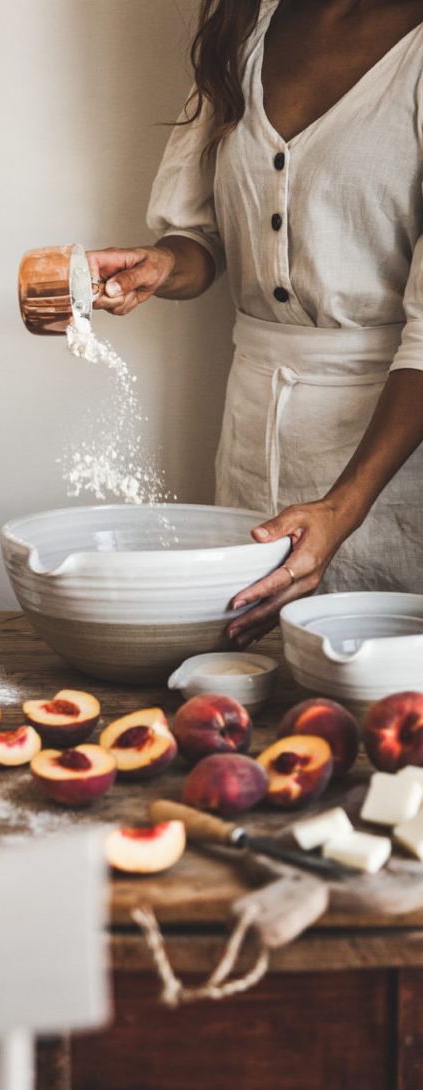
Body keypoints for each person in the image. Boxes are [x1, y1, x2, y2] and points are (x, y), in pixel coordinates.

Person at [88, 0, 423, 646]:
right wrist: (162, 265)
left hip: (386, 477)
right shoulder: (248, 27)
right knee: (246, 693)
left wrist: (340, 510)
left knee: (379, 704)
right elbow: (202, 237)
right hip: (248, 444)